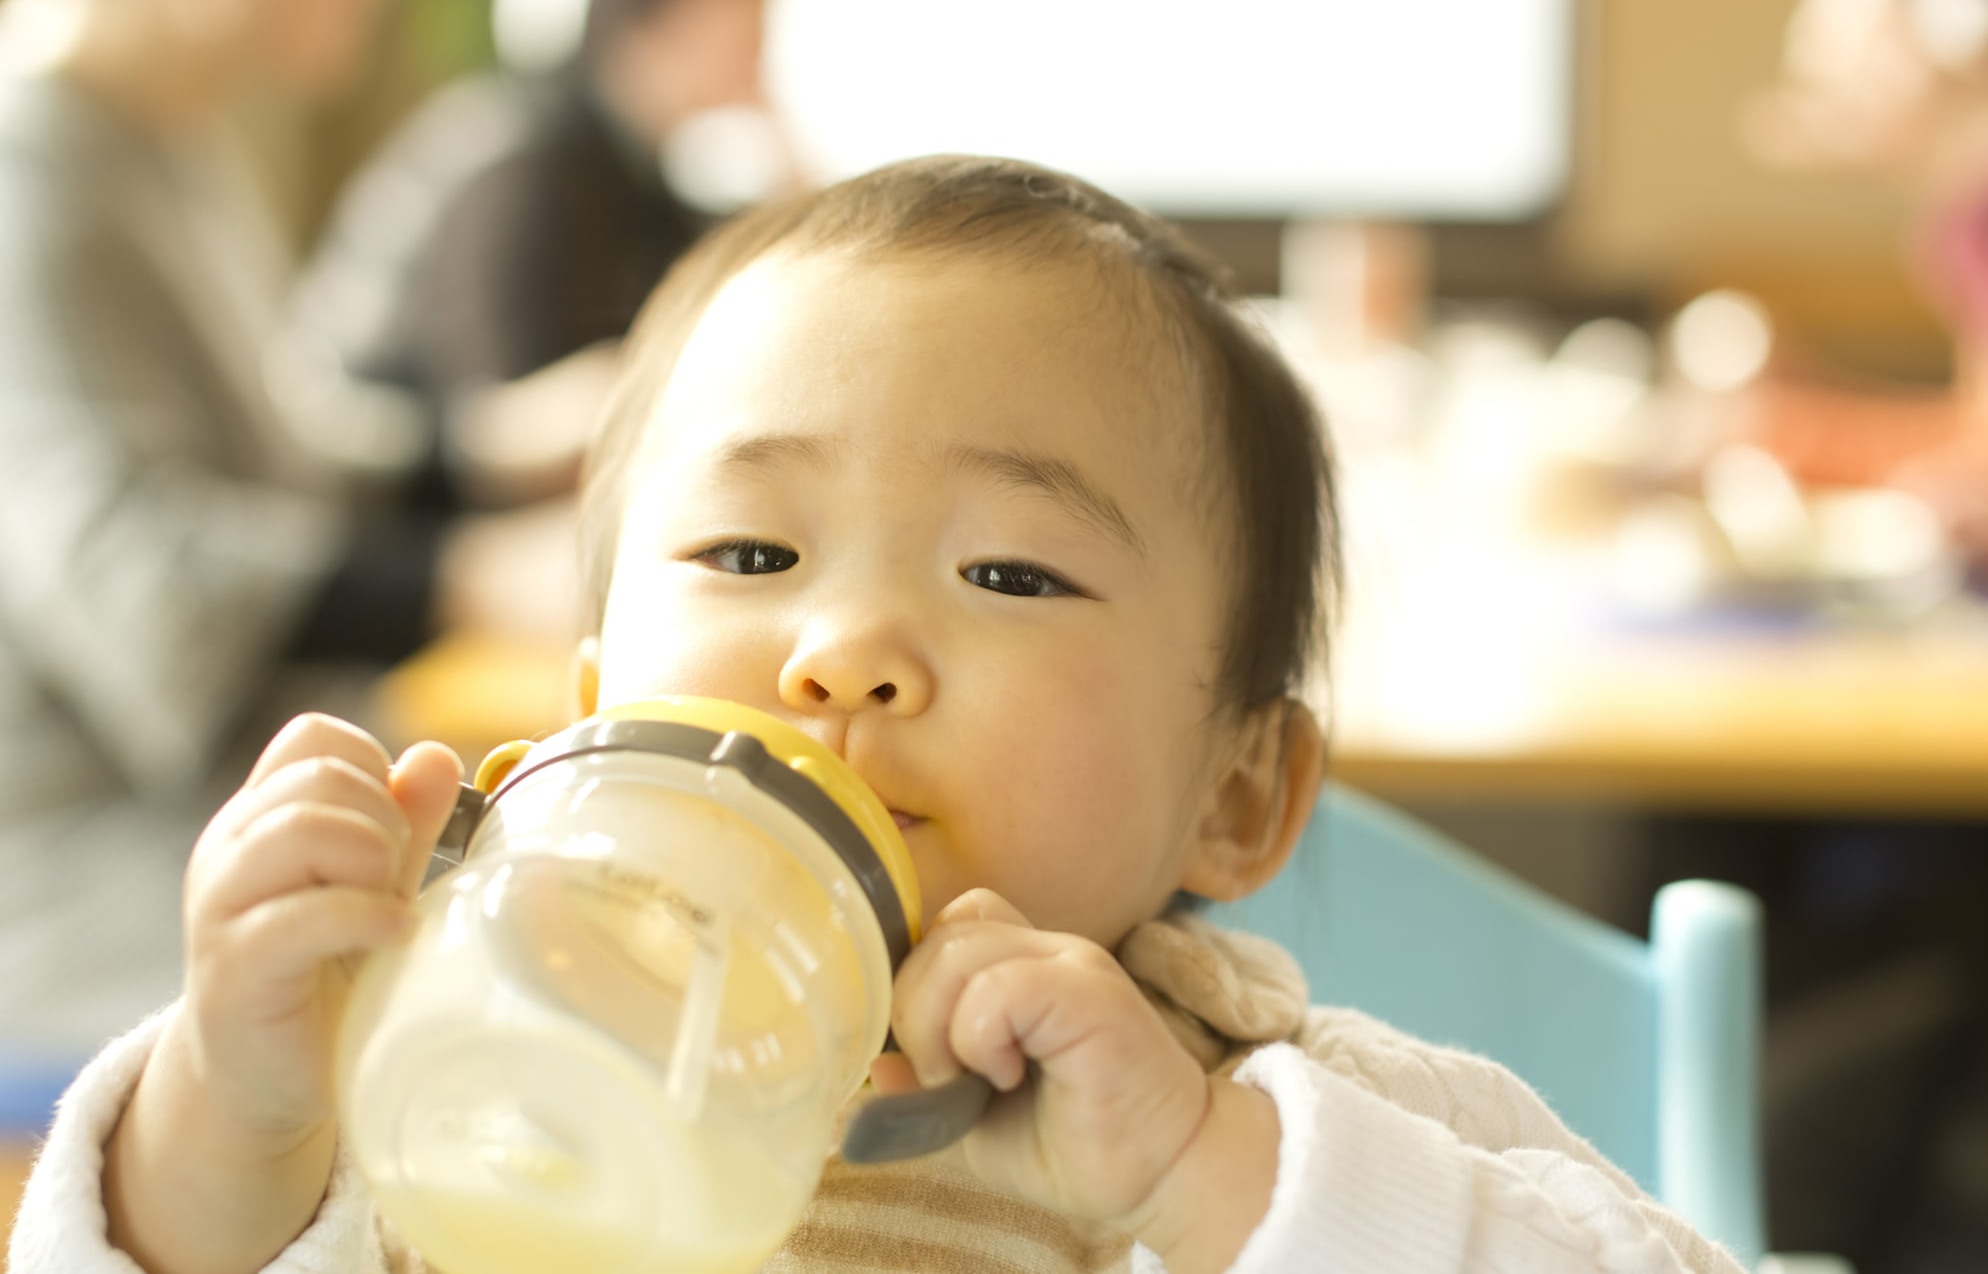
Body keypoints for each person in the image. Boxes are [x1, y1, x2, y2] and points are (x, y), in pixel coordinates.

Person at [12, 157, 1748, 1274]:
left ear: (1237, 791)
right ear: (586, 704)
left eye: (1009, 572)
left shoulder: (1255, 1114)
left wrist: (1207, 1180)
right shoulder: (455, 1052)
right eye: (753, 547)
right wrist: (233, 1113)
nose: (842, 648)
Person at [0, 0, 578, 1056]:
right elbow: (146, 584)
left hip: (218, 804)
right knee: (545, 974)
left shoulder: (166, 134)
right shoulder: (22, 172)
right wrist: (485, 577)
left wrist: (500, 451)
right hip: (73, 882)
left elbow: (286, 451)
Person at [295, 0, 783, 508]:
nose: (765, 41)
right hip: (375, 497)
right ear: (665, 9)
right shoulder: (524, 164)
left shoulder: (638, 176)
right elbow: (514, 427)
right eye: (755, 8)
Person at [1736, 0, 1988, 574]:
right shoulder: (1970, 219)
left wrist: (1776, 431)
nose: (1809, 35)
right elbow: (1981, 437)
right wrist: (1792, 416)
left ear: (1958, 16)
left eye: (1842, 3)